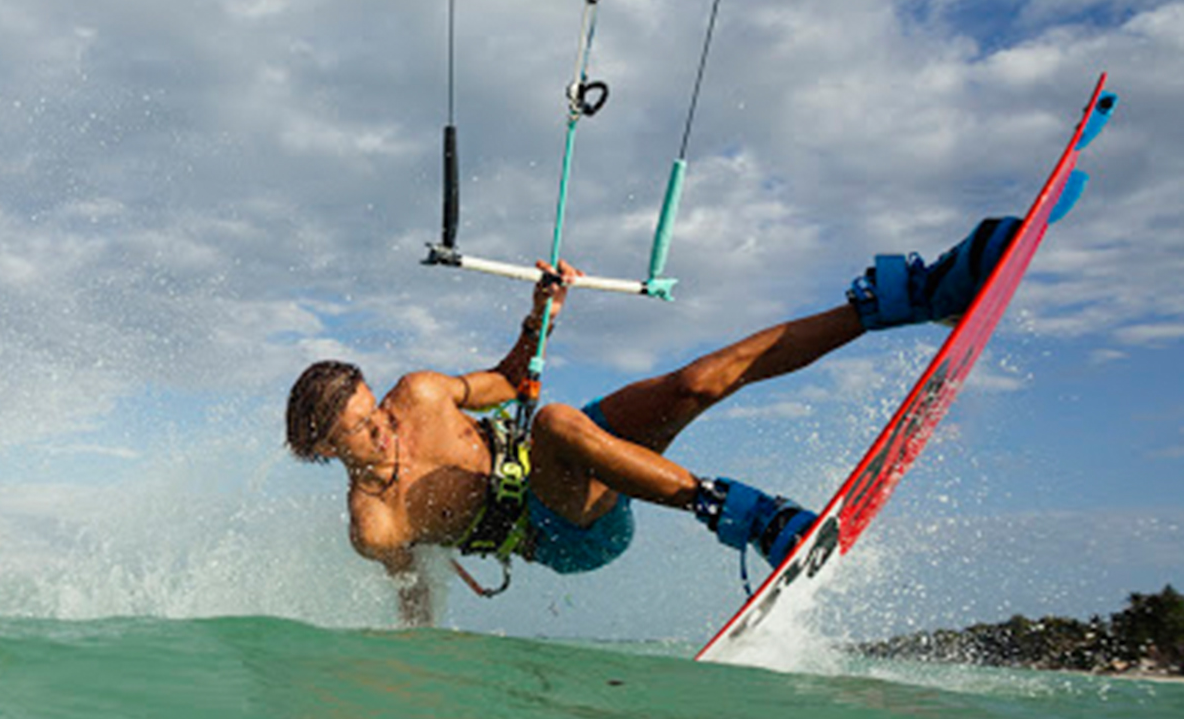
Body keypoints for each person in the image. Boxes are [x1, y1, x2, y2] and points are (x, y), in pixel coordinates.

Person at [286, 216, 1022, 626]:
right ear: (327, 448)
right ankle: (754, 518)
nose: (385, 424)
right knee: (555, 427)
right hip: (566, 536)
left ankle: (903, 300)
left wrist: (543, 313)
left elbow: (513, 380)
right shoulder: (373, 524)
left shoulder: (418, 394)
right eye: (362, 427)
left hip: (576, 452)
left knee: (693, 384)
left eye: (373, 403)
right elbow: (412, 591)